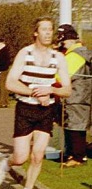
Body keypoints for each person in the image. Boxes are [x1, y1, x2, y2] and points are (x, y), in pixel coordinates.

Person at [0, 16, 71, 189]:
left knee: (38, 156)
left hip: (46, 111)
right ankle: (6, 165)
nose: (47, 33)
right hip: (26, 109)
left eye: (50, 29)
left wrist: (50, 90)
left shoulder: (58, 57)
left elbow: (67, 89)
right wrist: (37, 91)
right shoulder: (24, 53)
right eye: (43, 29)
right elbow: (11, 83)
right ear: (35, 32)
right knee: (21, 157)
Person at [57, 24, 92, 167]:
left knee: (75, 126)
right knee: (76, 125)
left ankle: (78, 157)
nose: (62, 44)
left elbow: (61, 77)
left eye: (63, 41)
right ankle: (75, 153)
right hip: (83, 95)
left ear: (69, 40)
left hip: (76, 96)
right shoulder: (83, 53)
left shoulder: (74, 55)